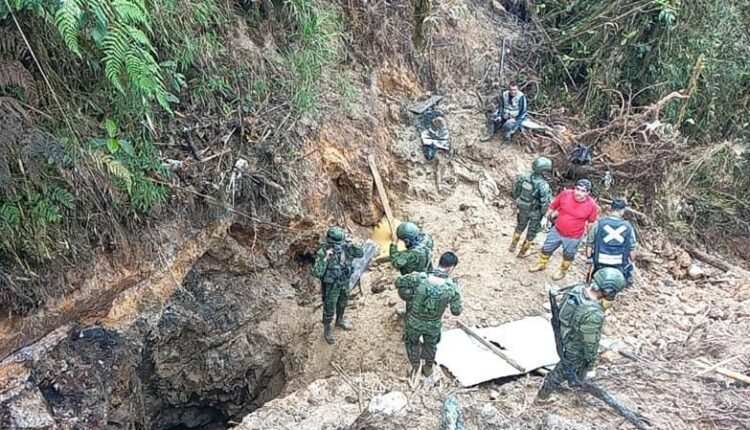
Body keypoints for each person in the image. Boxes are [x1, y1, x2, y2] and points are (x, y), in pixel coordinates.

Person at [536, 267, 627, 400]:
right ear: (609, 291)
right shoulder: (594, 314)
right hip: (575, 345)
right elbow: (590, 342)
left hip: (564, 331)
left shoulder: (576, 289)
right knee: (563, 369)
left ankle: (577, 384)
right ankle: (543, 396)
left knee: (571, 367)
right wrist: (591, 359)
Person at [395, 251, 463, 378]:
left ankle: (415, 367)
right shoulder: (452, 288)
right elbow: (456, 311)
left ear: (439, 262)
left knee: (411, 343)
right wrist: (458, 290)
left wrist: (408, 295)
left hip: (414, 321)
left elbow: (398, 282)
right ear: (451, 268)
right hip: (433, 325)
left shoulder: (419, 278)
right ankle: (428, 368)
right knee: (431, 346)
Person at [530, 178, 598, 280]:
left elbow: (591, 223)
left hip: (574, 236)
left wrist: (589, 238)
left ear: (588, 193)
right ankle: (541, 264)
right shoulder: (566, 194)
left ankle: (562, 270)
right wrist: (545, 217)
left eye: (583, 191)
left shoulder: (592, 205)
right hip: (557, 230)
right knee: (546, 248)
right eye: (577, 189)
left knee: (568, 255)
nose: (578, 193)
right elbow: (553, 206)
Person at [311, 226, 364, 344]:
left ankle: (340, 320)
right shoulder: (323, 251)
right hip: (331, 285)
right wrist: (325, 258)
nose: (337, 247)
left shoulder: (346, 247)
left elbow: (360, 254)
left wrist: (354, 244)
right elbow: (316, 272)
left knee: (343, 303)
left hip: (344, 282)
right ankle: (327, 327)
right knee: (329, 307)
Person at [585, 198, 637, 287]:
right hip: (619, 262)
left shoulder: (599, 223)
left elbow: (589, 243)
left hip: (600, 260)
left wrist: (589, 257)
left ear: (611, 208)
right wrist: (632, 261)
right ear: (622, 211)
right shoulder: (628, 227)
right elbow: (632, 248)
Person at [509, 157, 553, 258]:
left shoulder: (523, 177)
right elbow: (545, 202)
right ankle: (523, 252)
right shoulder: (543, 185)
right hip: (535, 212)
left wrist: (519, 201)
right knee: (531, 232)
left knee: (520, 226)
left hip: (523, 207)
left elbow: (516, 190)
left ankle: (512, 246)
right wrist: (544, 215)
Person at [391, 221, 435, 317]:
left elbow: (396, 262)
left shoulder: (413, 254)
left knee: (408, 292)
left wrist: (394, 244)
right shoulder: (427, 239)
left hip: (417, 278)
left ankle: (412, 315)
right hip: (428, 273)